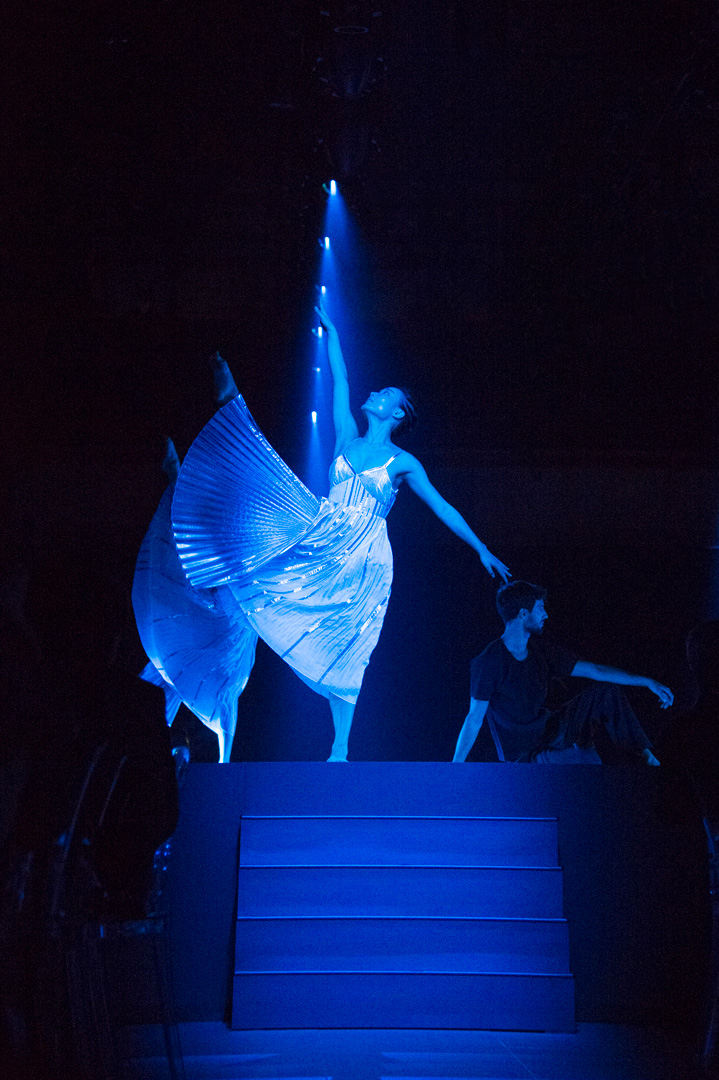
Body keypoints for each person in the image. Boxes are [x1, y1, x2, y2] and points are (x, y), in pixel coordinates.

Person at [164, 296, 510, 761]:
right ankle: (230, 415)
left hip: (364, 553)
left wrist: (481, 548)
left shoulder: (404, 462)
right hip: (323, 532)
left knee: (348, 645)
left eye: (386, 394)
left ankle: (340, 747)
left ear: (398, 414)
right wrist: (334, 333)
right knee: (261, 540)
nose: (377, 393)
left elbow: (443, 507)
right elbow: (340, 380)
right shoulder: (346, 435)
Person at [452, 580, 672, 764]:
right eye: (540, 609)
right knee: (590, 758)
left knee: (605, 691)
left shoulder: (540, 651)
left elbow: (595, 670)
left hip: (550, 730)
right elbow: (474, 718)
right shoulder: (489, 662)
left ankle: (647, 758)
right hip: (523, 752)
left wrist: (647, 682)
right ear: (522, 613)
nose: (545, 615)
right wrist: (454, 767)